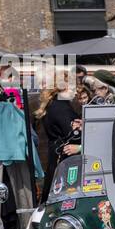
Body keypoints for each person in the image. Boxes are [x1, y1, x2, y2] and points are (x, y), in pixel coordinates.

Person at [37, 68, 81, 200]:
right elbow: (73, 135)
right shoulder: (61, 107)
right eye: (72, 87)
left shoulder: (53, 104)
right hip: (65, 160)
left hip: (55, 156)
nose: (75, 90)